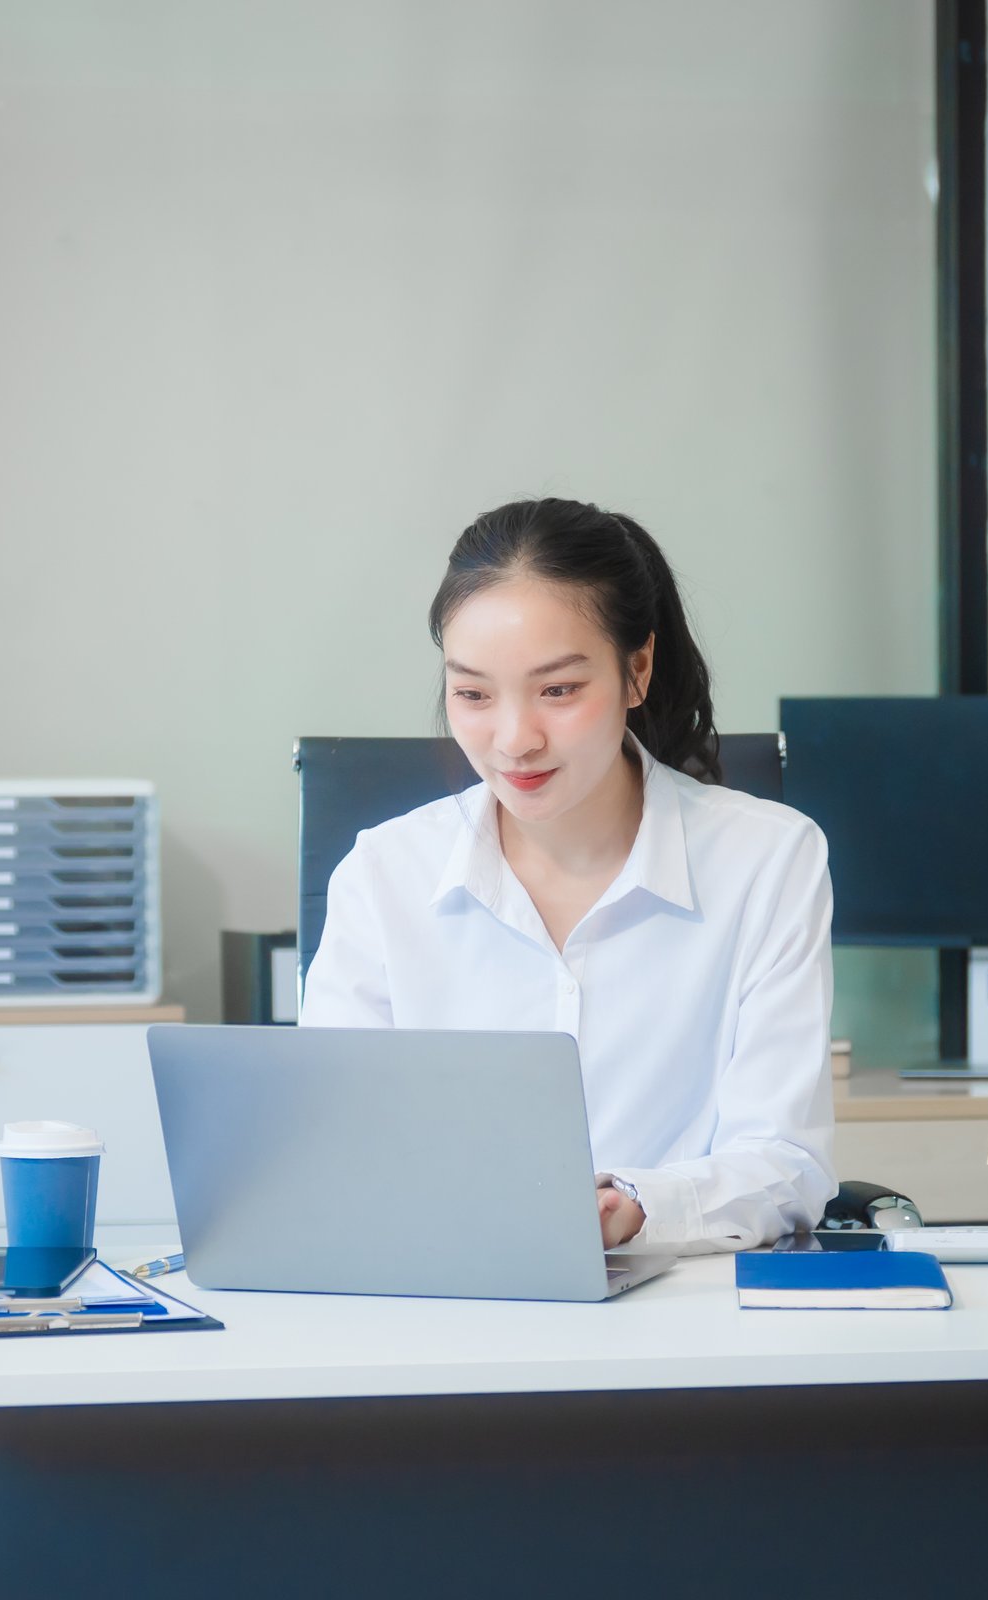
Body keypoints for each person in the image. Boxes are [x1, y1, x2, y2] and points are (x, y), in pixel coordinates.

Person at [300, 497, 838, 1252]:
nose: (515, 740)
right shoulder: (385, 874)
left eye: (558, 690)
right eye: (473, 694)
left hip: (683, 1315)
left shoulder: (767, 859)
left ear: (636, 669)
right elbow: (330, 1143)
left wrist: (639, 1207)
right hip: (442, 1300)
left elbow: (787, 1162)